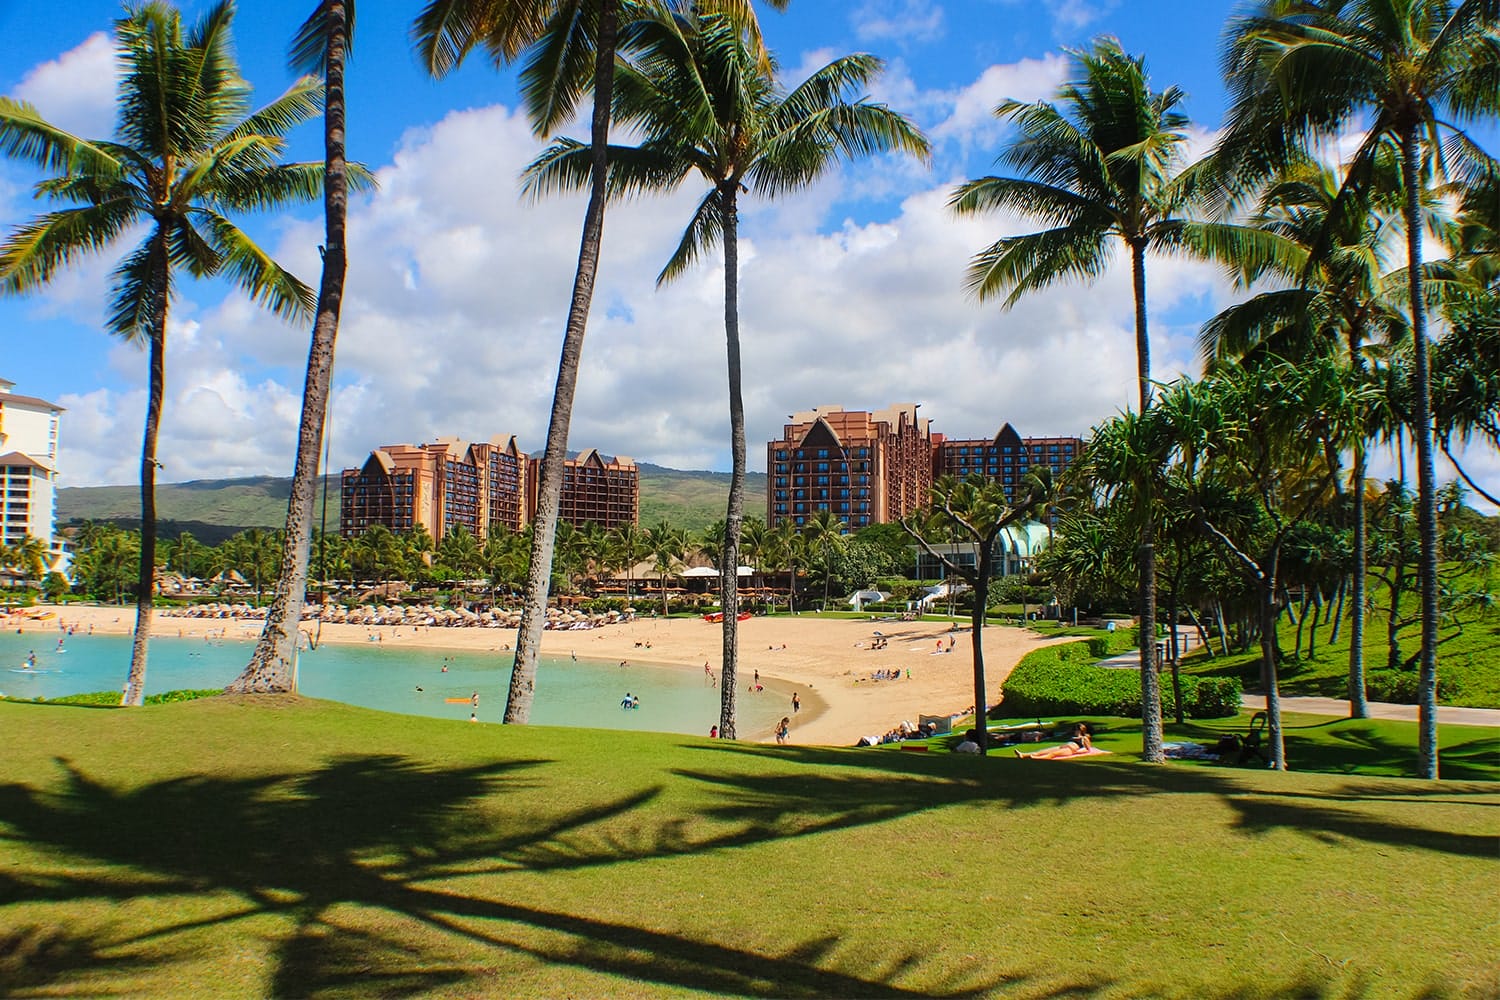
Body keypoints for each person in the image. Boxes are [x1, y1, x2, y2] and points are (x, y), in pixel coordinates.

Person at [1016, 724, 1092, 760]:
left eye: (1076, 729)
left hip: (1070, 750)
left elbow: (1088, 749)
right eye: (1075, 729)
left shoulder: (1084, 738)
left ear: (1081, 730)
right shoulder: (1073, 736)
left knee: (1052, 754)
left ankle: (1036, 758)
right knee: (1040, 751)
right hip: (1062, 746)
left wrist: (1078, 751)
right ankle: (1023, 755)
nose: (1075, 731)